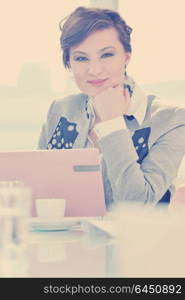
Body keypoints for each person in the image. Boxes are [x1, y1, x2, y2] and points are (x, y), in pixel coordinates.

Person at [38, 6, 185, 208]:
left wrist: (112, 124)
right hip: (64, 237)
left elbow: (137, 205)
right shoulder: (62, 110)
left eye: (107, 55)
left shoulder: (170, 119)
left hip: (134, 239)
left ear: (126, 56)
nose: (95, 70)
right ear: (69, 63)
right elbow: (39, 188)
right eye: (81, 58)